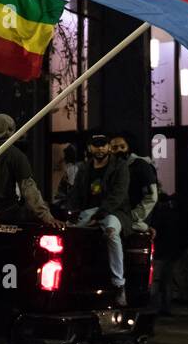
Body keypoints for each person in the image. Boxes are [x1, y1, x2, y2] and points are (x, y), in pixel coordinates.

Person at [66, 131, 133, 305]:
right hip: (89, 212)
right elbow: (75, 194)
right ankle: (70, 278)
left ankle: (119, 284)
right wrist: (72, 213)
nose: (100, 148)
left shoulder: (120, 166)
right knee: (68, 234)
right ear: (90, 147)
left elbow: (118, 195)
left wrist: (100, 214)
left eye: (103, 144)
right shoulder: (84, 168)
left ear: (109, 146)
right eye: (96, 145)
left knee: (111, 232)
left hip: (114, 212)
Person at [109, 131, 158, 231]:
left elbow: (151, 196)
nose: (119, 150)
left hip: (135, 221)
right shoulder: (110, 168)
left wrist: (134, 216)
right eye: (115, 148)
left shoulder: (141, 166)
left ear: (128, 147)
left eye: (122, 147)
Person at [52, 142, 80, 213]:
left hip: (67, 201)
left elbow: (71, 186)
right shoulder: (68, 167)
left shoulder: (72, 168)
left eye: (64, 155)